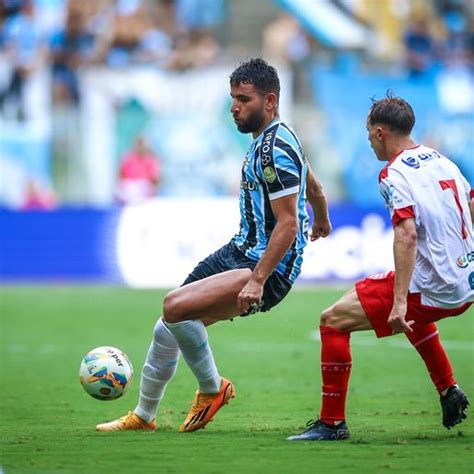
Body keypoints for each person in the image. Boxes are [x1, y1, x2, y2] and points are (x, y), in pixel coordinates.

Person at [96, 58, 332, 433]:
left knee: (173, 307)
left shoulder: (274, 149)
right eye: (233, 99)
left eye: (244, 99)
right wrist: (321, 214)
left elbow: (287, 224)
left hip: (266, 267)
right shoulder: (275, 138)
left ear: (270, 102)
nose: (235, 107)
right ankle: (144, 416)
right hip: (240, 251)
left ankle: (213, 388)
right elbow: (313, 184)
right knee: (167, 326)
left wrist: (257, 280)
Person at [288, 95, 474, 441]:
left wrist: (399, 301)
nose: (369, 141)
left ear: (380, 132)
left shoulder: (393, 173)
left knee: (332, 320)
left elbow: (406, 235)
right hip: (466, 283)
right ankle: (449, 390)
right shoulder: (443, 161)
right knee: (409, 311)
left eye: (369, 134)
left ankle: (331, 424)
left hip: (436, 288)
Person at [116, 135, 161, 205]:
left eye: (142, 144)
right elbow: (121, 174)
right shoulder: (128, 158)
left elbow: (155, 179)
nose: (140, 147)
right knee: (127, 188)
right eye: (138, 144)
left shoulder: (151, 159)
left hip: (144, 187)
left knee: (136, 189)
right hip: (129, 185)